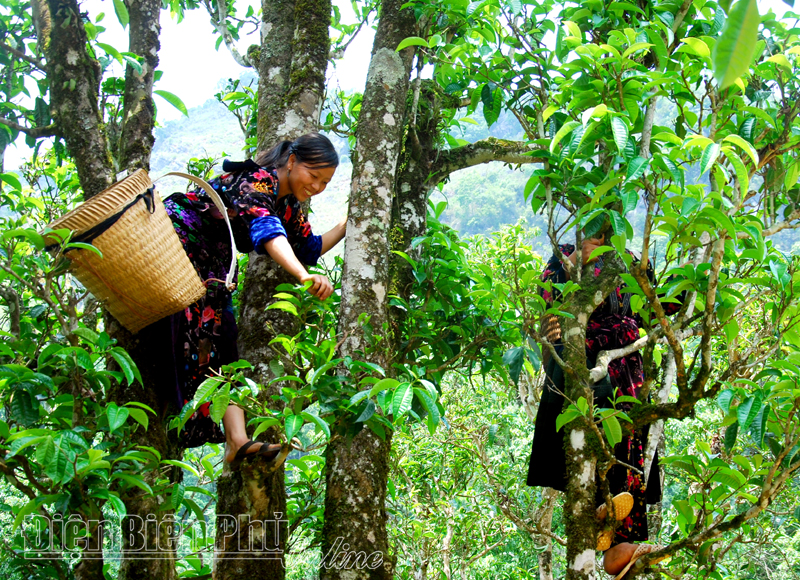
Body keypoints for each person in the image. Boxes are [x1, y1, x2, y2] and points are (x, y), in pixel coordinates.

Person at [144, 132, 345, 468]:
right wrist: (302, 276)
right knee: (197, 338)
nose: (317, 187)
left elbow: (308, 247)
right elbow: (268, 233)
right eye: (314, 176)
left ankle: (237, 441)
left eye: (325, 182)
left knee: (225, 343)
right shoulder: (255, 181)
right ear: (292, 161)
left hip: (214, 263)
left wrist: (347, 223)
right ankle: (202, 430)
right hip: (180, 243)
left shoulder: (288, 206)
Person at [527, 235, 680, 578]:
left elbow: (654, 309)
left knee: (628, 444)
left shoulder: (630, 259)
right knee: (593, 437)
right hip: (584, 359)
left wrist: (688, 282)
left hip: (626, 362)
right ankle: (601, 515)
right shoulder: (564, 257)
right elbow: (547, 317)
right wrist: (551, 325)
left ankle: (620, 541)